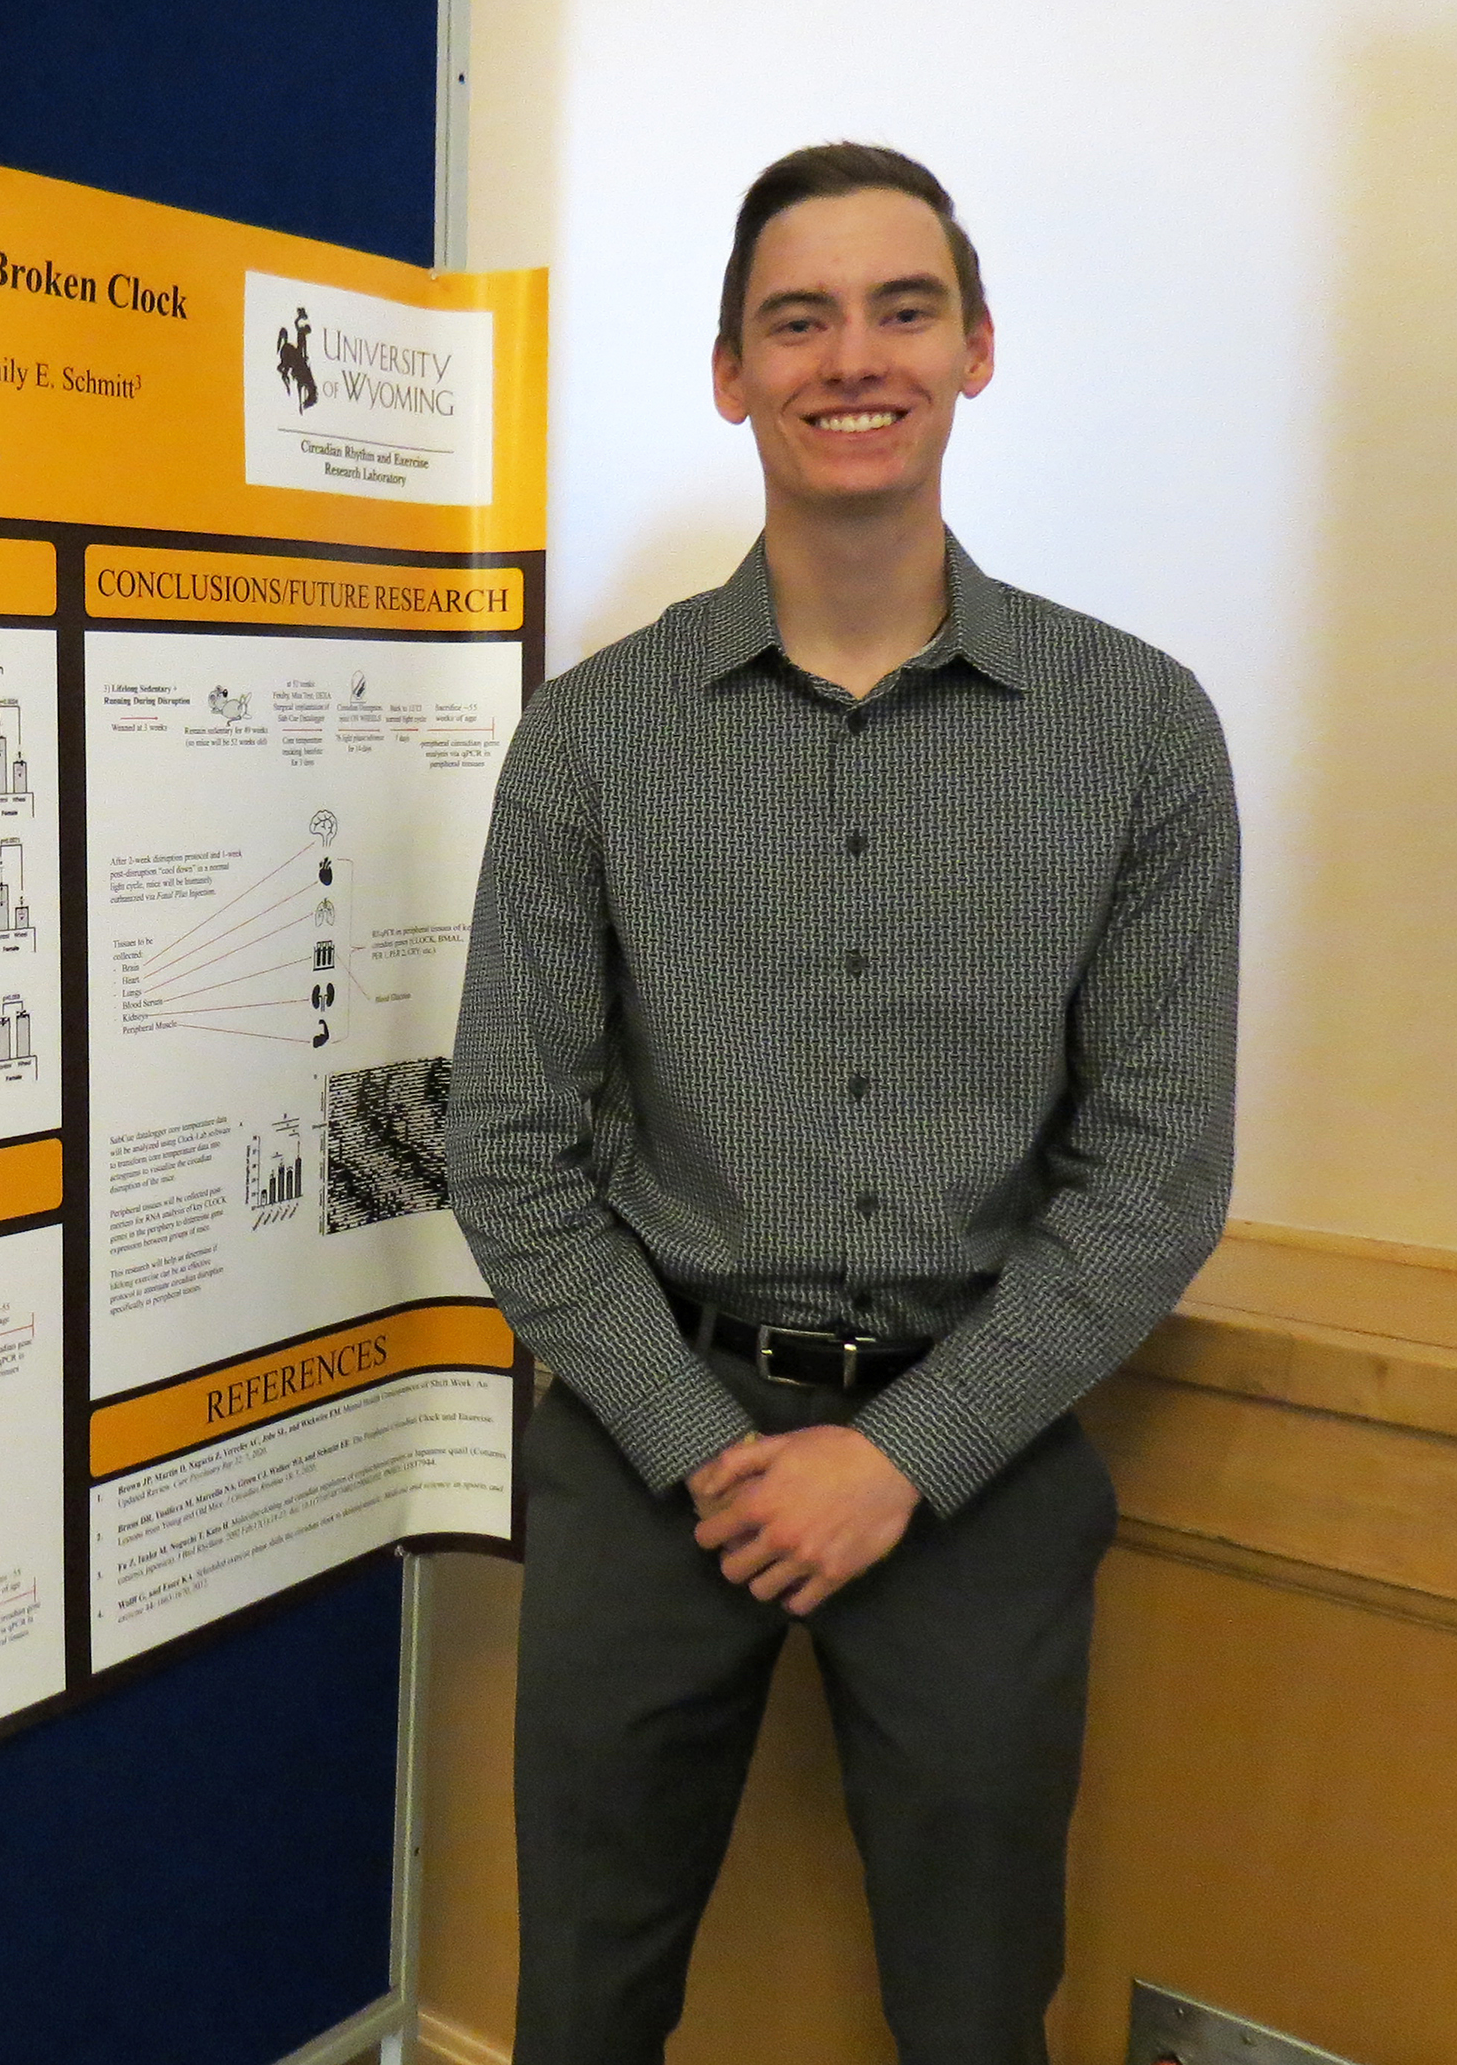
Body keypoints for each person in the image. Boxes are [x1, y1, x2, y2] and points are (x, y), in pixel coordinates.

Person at [444, 143, 1239, 2065]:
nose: (851, 355)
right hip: (654, 1440)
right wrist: (704, 1443)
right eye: (797, 318)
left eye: (902, 309)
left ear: (977, 348)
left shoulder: (1138, 728)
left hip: (979, 1441)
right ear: (732, 375)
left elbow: (1156, 1176)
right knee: (585, 1998)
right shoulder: (593, 740)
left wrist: (901, 1455)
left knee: (979, 2012)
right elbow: (509, 1145)